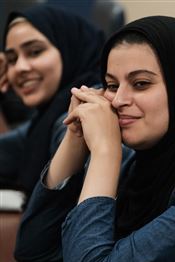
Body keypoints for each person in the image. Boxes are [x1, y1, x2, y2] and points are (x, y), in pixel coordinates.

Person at [14, 16, 175, 262]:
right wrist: (75, 136)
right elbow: (34, 248)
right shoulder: (146, 154)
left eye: (141, 84)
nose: (117, 100)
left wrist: (105, 154)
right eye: (112, 85)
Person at [0, 5, 105, 202]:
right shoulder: (46, 117)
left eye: (35, 51)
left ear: (69, 48)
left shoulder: (78, 113)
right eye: (12, 60)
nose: (20, 67)